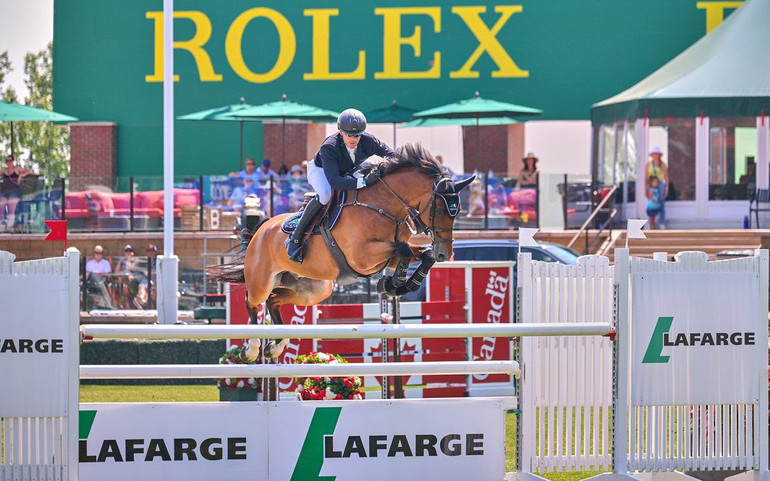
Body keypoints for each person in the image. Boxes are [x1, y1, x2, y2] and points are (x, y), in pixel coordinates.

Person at [285, 108, 395, 263]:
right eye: (349, 134)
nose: (353, 138)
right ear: (340, 131)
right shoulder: (329, 146)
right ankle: (296, 236)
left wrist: (384, 168)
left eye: (357, 135)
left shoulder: (368, 140)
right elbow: (335, 182)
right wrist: (364, 182)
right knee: (325, 194)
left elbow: (392, 155)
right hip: (322, 171)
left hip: (348, 169)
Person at [0, 155, 33, 231]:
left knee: (11, 204)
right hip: (4, 191)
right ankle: (1, 225)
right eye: (7, 161)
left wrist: (21, 175)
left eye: (10, 160)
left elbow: (30, 171)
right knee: (2, 203)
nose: (8, 162)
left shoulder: (17, 169)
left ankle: (9, 226)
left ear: (13, 161)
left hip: (15, 191)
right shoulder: (4, 170)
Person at [116, 244, 147, 308]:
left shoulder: (136, 260)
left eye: (130, 250)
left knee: (142, 284)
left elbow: (132, 267)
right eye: (126, 251)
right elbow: (116, 272)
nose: (128, 252)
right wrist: (121, 264)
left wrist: (129, 260)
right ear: (124, 252)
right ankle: (131, 304)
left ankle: (140, 300)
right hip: (126, 279)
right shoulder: (122, 261)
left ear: (132, 252)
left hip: (137, 277)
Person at [645, 146, 669, 229]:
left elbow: (666, 176)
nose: (655, 155)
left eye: (656, 154)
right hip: (651, 186)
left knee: (661, 203)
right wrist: (646, 189)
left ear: (659, 155)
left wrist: (666, 188)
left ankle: (661, 222)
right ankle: (651, 224)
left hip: (660, 185)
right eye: (653, 154)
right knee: (651, 204)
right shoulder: (648, 165)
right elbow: (646, 177)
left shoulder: (663, 164)